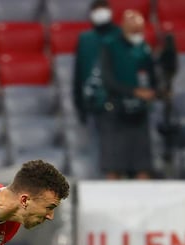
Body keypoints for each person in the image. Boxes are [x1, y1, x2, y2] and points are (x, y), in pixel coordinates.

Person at [97, 9, 159, 180]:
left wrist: (153, 91)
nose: (137, 34)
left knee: (142, 164)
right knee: (114, 164)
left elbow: (152, 76)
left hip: (139, 112)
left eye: (139, 30)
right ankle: (111, 205)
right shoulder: (110, 45)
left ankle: (144, 205)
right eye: (134, 30)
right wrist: (133, 91)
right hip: (115, 110)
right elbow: (107, 80)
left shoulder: (144, 48)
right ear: (123, 26)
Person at [72, 0, 121, 178]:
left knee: (120, 152)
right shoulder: (85, 39)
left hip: (119, 104)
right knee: (98, 153)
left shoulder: (119, 36)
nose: (100, 13)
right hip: (93, 105)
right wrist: (79, 104)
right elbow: (78, 74)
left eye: (103, 9)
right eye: (96, 10)